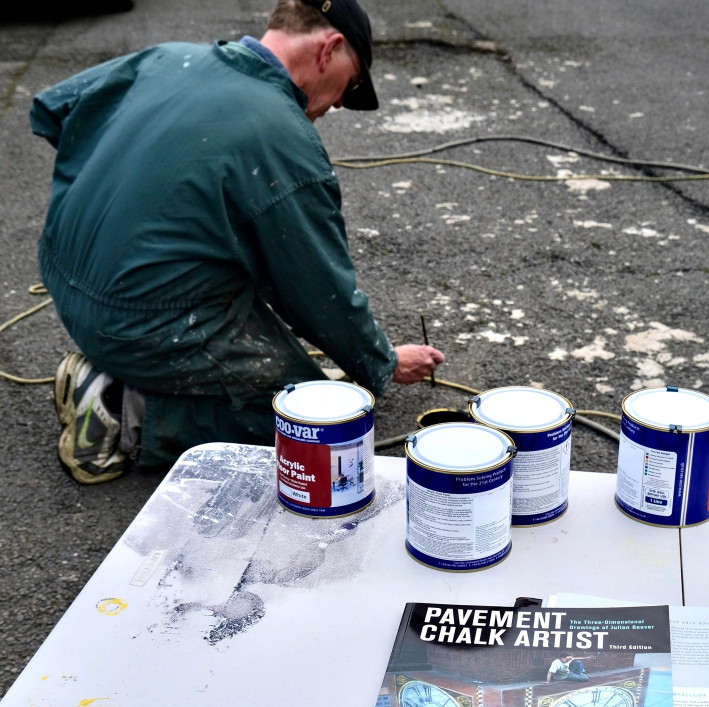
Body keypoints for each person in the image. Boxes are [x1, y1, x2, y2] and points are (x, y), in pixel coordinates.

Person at [30, 0, 444, 484]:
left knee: (260, 323)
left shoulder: (168, 57)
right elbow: (318, 291)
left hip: (66, 279)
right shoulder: (280, 135)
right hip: (138, 321)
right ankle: (122, 408)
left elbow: (55, 112)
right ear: (328, 49)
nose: (337, 104)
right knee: (316, 427)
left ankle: (128, 370)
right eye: (349, 86)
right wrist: (382, 363)